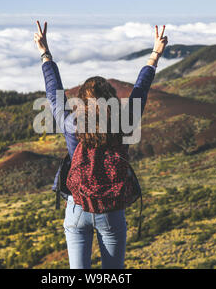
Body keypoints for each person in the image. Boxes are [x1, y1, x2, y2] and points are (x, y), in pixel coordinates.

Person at [34, 21, 168, 269]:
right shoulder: (123, 124)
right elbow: (140, 91)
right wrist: (155, 55)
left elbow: (54, 94)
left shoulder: (72, 124)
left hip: (77, 207)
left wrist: (45, 53)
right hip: (111, 211)